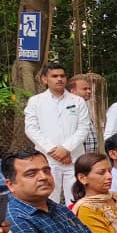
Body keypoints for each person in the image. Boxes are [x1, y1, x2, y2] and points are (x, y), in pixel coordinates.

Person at [23, 62, 93, 204]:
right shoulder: (36, 101)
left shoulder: (78, 101)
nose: (59, 79)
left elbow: (83, 128)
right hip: (47, 158)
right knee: (47, 198)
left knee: (76, 199)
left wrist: (66, 149)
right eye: (54, 76)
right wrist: (53, 150)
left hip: (73, 158)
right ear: (45, 79)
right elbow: (31, 128)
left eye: (62, 76)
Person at [66, 75, 101, 155]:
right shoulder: (69, 107)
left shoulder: (85, 106)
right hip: (76, 154)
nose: (89, 91)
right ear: (72, 91)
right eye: (84, 89)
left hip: (89, 155)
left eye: (89, 89)